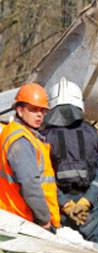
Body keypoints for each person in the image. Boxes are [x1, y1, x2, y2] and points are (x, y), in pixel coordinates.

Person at [43, 77, 98, 243]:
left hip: (58, 206)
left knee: (58, 251)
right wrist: (87, 201)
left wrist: (66, 204)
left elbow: (43, 176)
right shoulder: (95, 135)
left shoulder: (43, 138)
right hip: (90, 207)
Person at [0, 83, 60, 229]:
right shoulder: (21, 140)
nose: (39, 114)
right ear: (20, 110)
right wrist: (44, 218)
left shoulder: (17, 133)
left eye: (42, 110)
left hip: (15, 215)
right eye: (33, 110)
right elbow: (30, 184)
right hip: (24, 220)